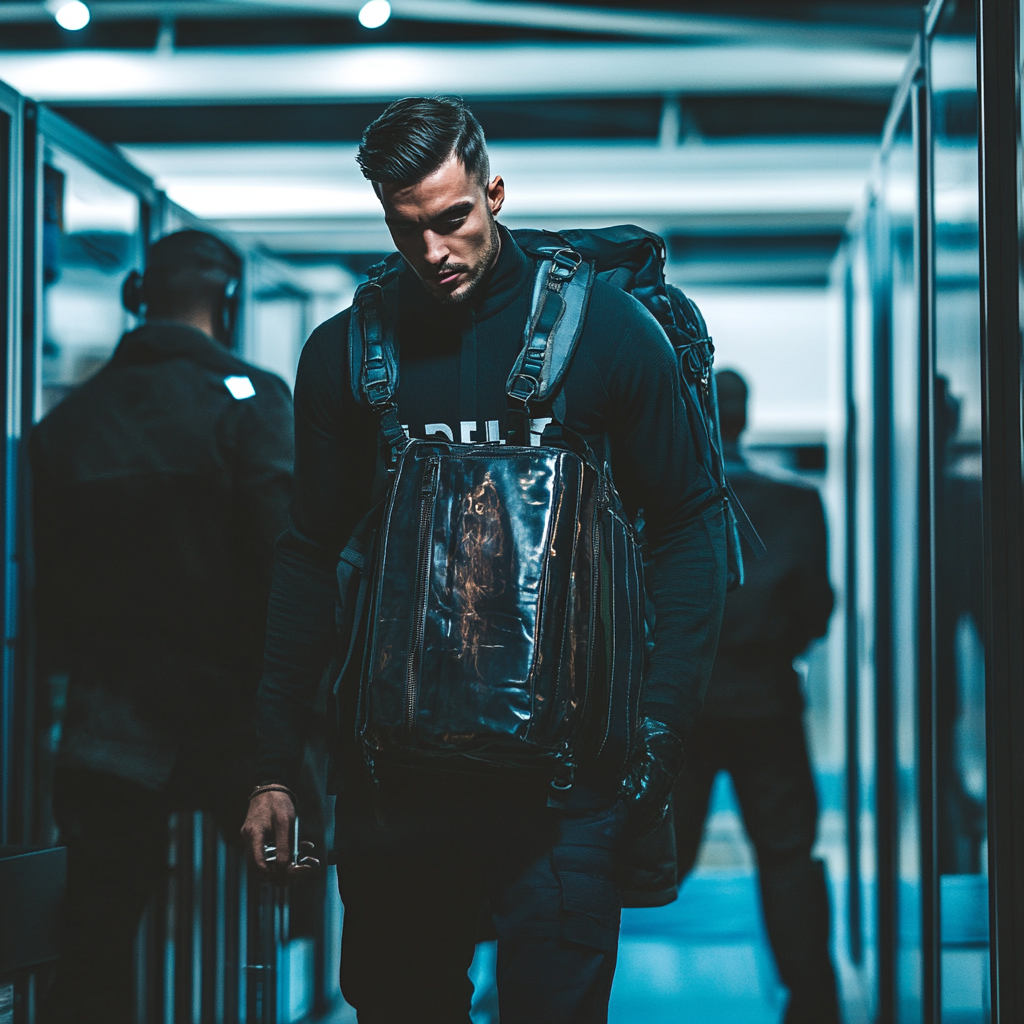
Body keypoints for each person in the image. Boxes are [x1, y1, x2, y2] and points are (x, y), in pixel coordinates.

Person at [242, 96, 726, 1023]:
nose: (434, 252)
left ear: (494, 193)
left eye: (454, 218)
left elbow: (690, 529)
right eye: (407, 226)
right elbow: (306, 557)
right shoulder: (347, 354)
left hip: (566, 793)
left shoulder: (614, 337)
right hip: (395, 791)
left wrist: (657, 738)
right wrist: (272, 767)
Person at [31, 230, 296, 1024]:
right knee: (283, 907)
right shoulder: (251, 400)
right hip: (233, 723)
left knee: (96, 948)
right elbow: (287, 561)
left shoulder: (68, 422)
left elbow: (48, 592)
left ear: (137, 297)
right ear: (230, 301)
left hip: (108, 725)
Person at [672, 369, 839, 1024]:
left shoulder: (663, 503)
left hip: (681, 708)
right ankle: (814, 1001)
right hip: (767, 702)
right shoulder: (794, 503)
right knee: (788, 853)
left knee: (647, 857)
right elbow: (817, 609)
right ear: (745, 417)